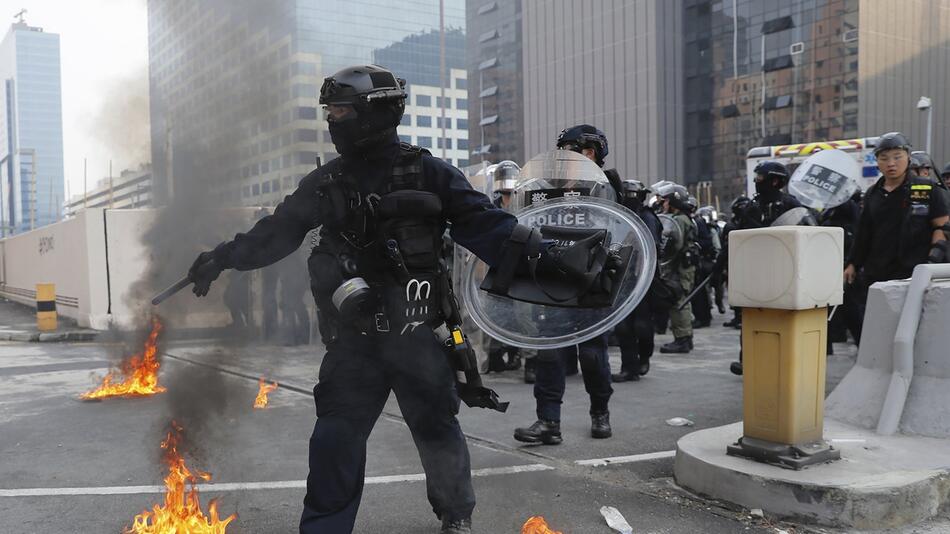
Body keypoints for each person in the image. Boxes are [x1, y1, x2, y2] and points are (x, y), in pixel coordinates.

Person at [186, 65, 617, 534]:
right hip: (355, 341)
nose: (333, 120)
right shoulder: (327, 182)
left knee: (438, 432)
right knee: (335, 440)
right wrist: (222, 257)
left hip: (420, 334)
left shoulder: (430, 172)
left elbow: (488, 228)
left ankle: (457, 516)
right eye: (329, 110)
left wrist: (555, 258)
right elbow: (277, 232)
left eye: (341, 110)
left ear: (375, 113)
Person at [513, 124, 617, 445]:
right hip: (553, 278)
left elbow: (618, 233)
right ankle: (548, 422)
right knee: (549, 354)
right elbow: (527, 224)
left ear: (589, 152)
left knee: (592, 356)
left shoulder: (605, 188)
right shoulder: (544, 188)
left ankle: (600, 412)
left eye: (569, 150)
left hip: (591, 280)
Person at [844, 132, 949, 325]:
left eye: (897, 157)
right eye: (884, 158)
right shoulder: (872, 195)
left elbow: (943, 227)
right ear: (877, 161)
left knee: (913, 329)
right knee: (880, 327)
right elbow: (864, 233)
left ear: (908, 157)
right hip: (878, 274)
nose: (891, 163)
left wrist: (931, 263)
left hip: (915, 274)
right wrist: (853, 263)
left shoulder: (927, 189)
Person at [727, 161, 803, 375]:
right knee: (751, 317)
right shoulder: (752, 207)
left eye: (761, 177)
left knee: (783, 318)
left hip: (784, 271)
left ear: (775, 180)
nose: (756, 181)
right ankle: (748, 358)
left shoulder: (791, 205)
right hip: (756, 271)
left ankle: (785, 358)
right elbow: (738, 241)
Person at [612, 179, 662, 382]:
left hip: (643, 278)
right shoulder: (619, 217)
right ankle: (629, 367)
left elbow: (652, 247)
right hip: (623, 278)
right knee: (623, 326)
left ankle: (644, 357)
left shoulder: (647, 218)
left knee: (642, 325)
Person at [483, 161, 524, 374]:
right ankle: (495, 356)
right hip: (498, 268)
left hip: (522, 270)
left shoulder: (526, 202)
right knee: (495, 315)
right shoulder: (491, 205)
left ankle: (525, 358)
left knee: (523, 317)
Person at [653, 180, 697, 354]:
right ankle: (685, 337)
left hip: (679, 269)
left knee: (679, 303)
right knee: (682, 301)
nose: (662, 203)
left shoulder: (679, 220)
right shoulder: (685, 219)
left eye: (665, 200)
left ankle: (682, 339)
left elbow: (672, 246)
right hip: (684, 268)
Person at [690, 204, 720, 328]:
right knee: (701, 292)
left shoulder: (698, 222)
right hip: (702, 261)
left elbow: (707, 242)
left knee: (700, 293)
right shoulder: (697, 221)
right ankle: (703, 317)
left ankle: (703, 318)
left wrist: (694, 243)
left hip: (703, 261)